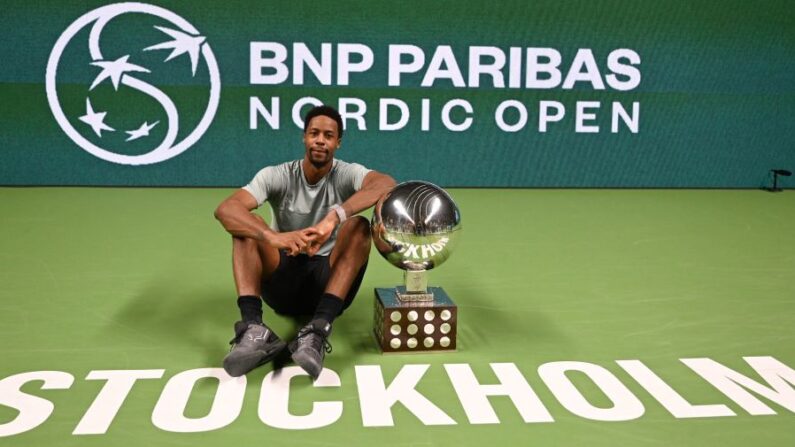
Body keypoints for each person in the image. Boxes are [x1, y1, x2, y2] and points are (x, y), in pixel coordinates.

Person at [214, 105, 395, 379]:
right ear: (304, 138)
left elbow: (385, 184)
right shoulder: (277, 175)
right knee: (245, 228)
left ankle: (318, 331)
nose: (320, 140)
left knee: (359, 226)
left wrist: (334, 217)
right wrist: (273, 236)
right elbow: (226, 209)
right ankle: (253, 328)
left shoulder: (347, 173)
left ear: (338, 142)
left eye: (328, 135)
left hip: (328, 283)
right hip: (282, 281)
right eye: (314, 133)